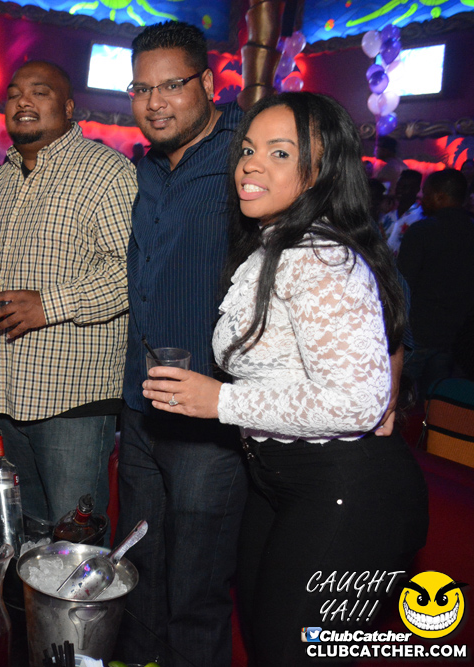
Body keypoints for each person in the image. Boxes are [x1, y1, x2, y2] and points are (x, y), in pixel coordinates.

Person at [142, 92, 428, 665]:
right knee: (267, 637)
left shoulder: (320, 257)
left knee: (291, 648)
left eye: (279, 153)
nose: (251, 165)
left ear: (321, 171)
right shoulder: (273, 244)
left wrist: (221, 401)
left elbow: (360, 401)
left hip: (346, 488)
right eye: (249, 150)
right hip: (279, 481)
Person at [117, 22, 246, 666]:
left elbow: (339, 240)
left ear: (209, 82)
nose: (155, 103)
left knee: (197, 587)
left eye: (171, 85)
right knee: (137, 569)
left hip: (209, 418)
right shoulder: (145, 169)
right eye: (142, 89)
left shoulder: (248, 153)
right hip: (142, 408)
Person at [0, 60, 135, 526]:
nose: (22, 100)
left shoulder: (107, 172)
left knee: (74, 535)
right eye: (14, 93)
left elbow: (131, 272)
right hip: (4, 392)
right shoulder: (0, 180)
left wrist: (50, 304)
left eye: (39, 92)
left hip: (72, 397)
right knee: (22, 529)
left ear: (68, 108)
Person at [398, 168, 474, 397]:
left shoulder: (422, 231)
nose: (422, 198)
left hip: (416, 334)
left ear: (440, 196)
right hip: (455, 338)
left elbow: (402, 284)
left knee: (397, 400)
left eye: (427, 193)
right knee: (433, 403)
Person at [379, 168, 422, 254]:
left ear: (416, 189)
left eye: (405, 187)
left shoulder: (420, 217)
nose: (400, 190)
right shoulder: (389, 214)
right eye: (398, 186)